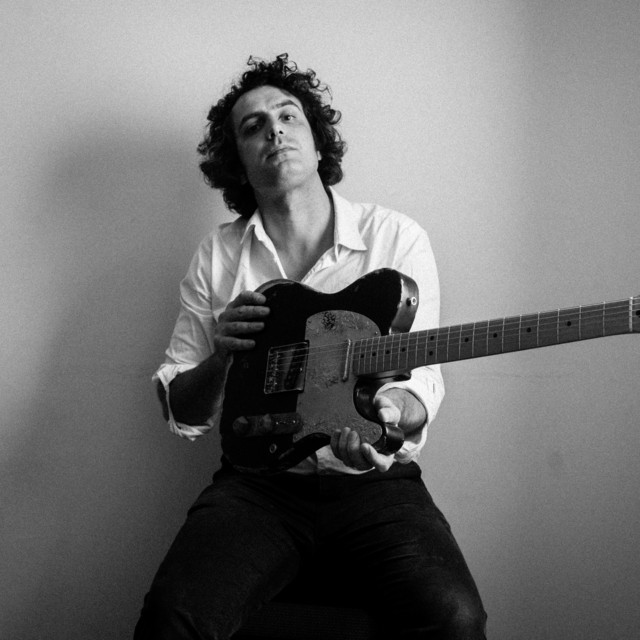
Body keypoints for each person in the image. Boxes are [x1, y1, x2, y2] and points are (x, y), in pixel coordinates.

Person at [134, 54, 487, 639]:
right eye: (253, 126)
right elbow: (181, 409)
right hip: (257, 488)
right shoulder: (217, 256)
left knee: (455, 617)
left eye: (288, 116)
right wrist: (222, 358)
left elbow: (422, 380)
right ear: (239, 164)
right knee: (172, 616)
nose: (274, 131)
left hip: (376, 488)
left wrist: (386, 418)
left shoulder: (394, 238)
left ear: (318, 143)